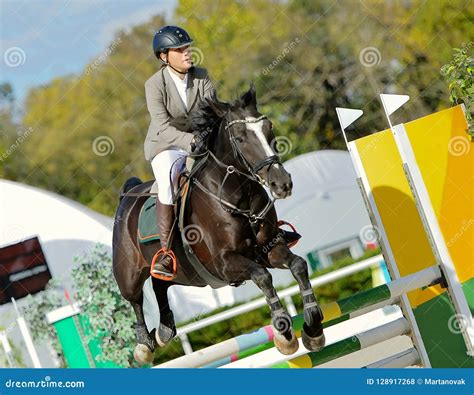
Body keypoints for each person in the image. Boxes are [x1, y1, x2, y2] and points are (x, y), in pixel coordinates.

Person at [144, 25, 216, 277]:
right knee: (168, 180)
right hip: (166, 145)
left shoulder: (201, 75)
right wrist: (190, 141)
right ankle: (166, 252)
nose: (187, 52)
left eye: (187, 47)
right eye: (180, 49)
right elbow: (162, 126)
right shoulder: (154, 85)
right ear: (164, 57)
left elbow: (211, 111)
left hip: (198, 140)